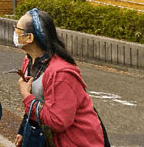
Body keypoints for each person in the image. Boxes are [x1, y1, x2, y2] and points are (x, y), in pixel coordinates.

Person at [14, 8, 105, 147]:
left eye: (17, 29)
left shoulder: (60, 73)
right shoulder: (29, 61)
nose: (14, 32)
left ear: (29, 38)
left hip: (77, 141)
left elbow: (58, 121)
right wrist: (24, 132)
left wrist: (26, 95)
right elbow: (34, 107)